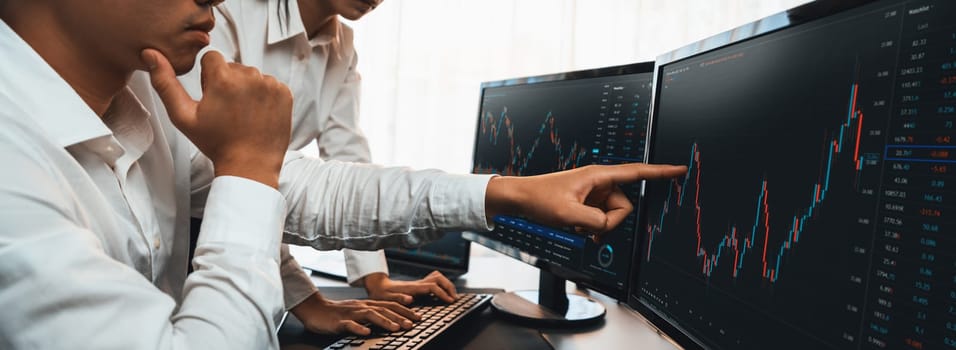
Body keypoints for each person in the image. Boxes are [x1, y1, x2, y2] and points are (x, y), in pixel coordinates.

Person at [0, 0, 687, 348]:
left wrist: (503, 194)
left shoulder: (147, 91)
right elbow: (252, 185)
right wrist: (249, 168)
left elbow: (305, 185)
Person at [176, 0, 467, 329]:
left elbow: (347, 156)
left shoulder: (343, 46)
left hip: (246, 232)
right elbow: (230, 177)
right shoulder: (226, 12)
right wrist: (307, 301)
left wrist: (376, 279)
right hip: (186, 237)